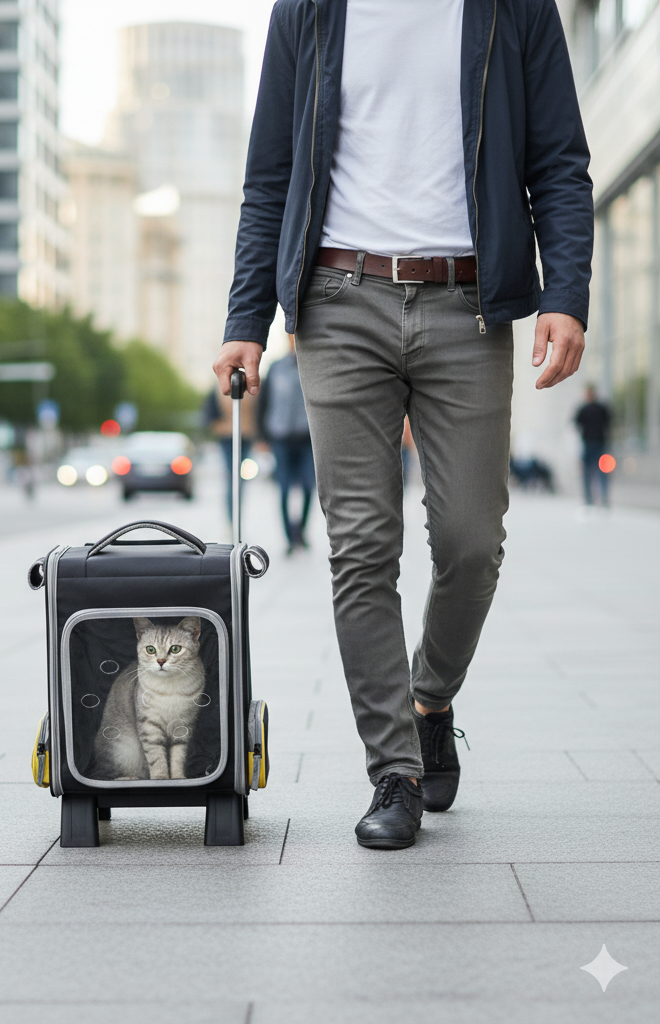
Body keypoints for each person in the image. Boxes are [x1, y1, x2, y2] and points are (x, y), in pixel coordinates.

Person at [214, 0, 592, 849]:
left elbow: (560, 163)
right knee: (360, 543)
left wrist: (565, 293)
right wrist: (247, 316)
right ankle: (395, 770)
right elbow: (269, 174)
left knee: (469, 538)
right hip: (339, 300)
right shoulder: (309, 10)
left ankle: (429, 697)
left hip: (471, 305)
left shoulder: (514, 9)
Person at [257, 336, 315, 553]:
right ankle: (289, 539)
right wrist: (261, 437)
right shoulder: (275, 368)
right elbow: (263, 403)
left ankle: (301, 532)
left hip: (307, 438)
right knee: (283, 489)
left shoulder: (314, 365)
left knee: (309, 487)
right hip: (280, 438)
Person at [204, 386, 257, 525]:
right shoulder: (217, 390)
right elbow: (209, 415)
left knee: (241, 480)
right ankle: (231, 520)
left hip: (246, 437)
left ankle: (236, 518)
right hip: (227, 437)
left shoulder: (253, 388)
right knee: (231, 479)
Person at [575, 386, 612, 507]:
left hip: (591, 444)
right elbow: (609, 423)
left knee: (588, 473)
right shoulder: (601, 408)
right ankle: (601, 498)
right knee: (600, 472)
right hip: (598, 443)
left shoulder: (584, 409)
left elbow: (576, 424)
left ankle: (589, 500)